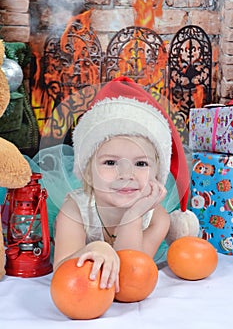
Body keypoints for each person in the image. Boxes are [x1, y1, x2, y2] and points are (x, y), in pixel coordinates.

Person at [53, 76, 192, 292]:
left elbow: (130, 277)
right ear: (88, 173)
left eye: (141, 163)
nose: (126, 174)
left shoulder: (157, 219)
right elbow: (61, 273)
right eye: (110, 162)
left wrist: (133, 216)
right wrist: (95, 248)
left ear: (157, 174)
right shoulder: (76, 209)